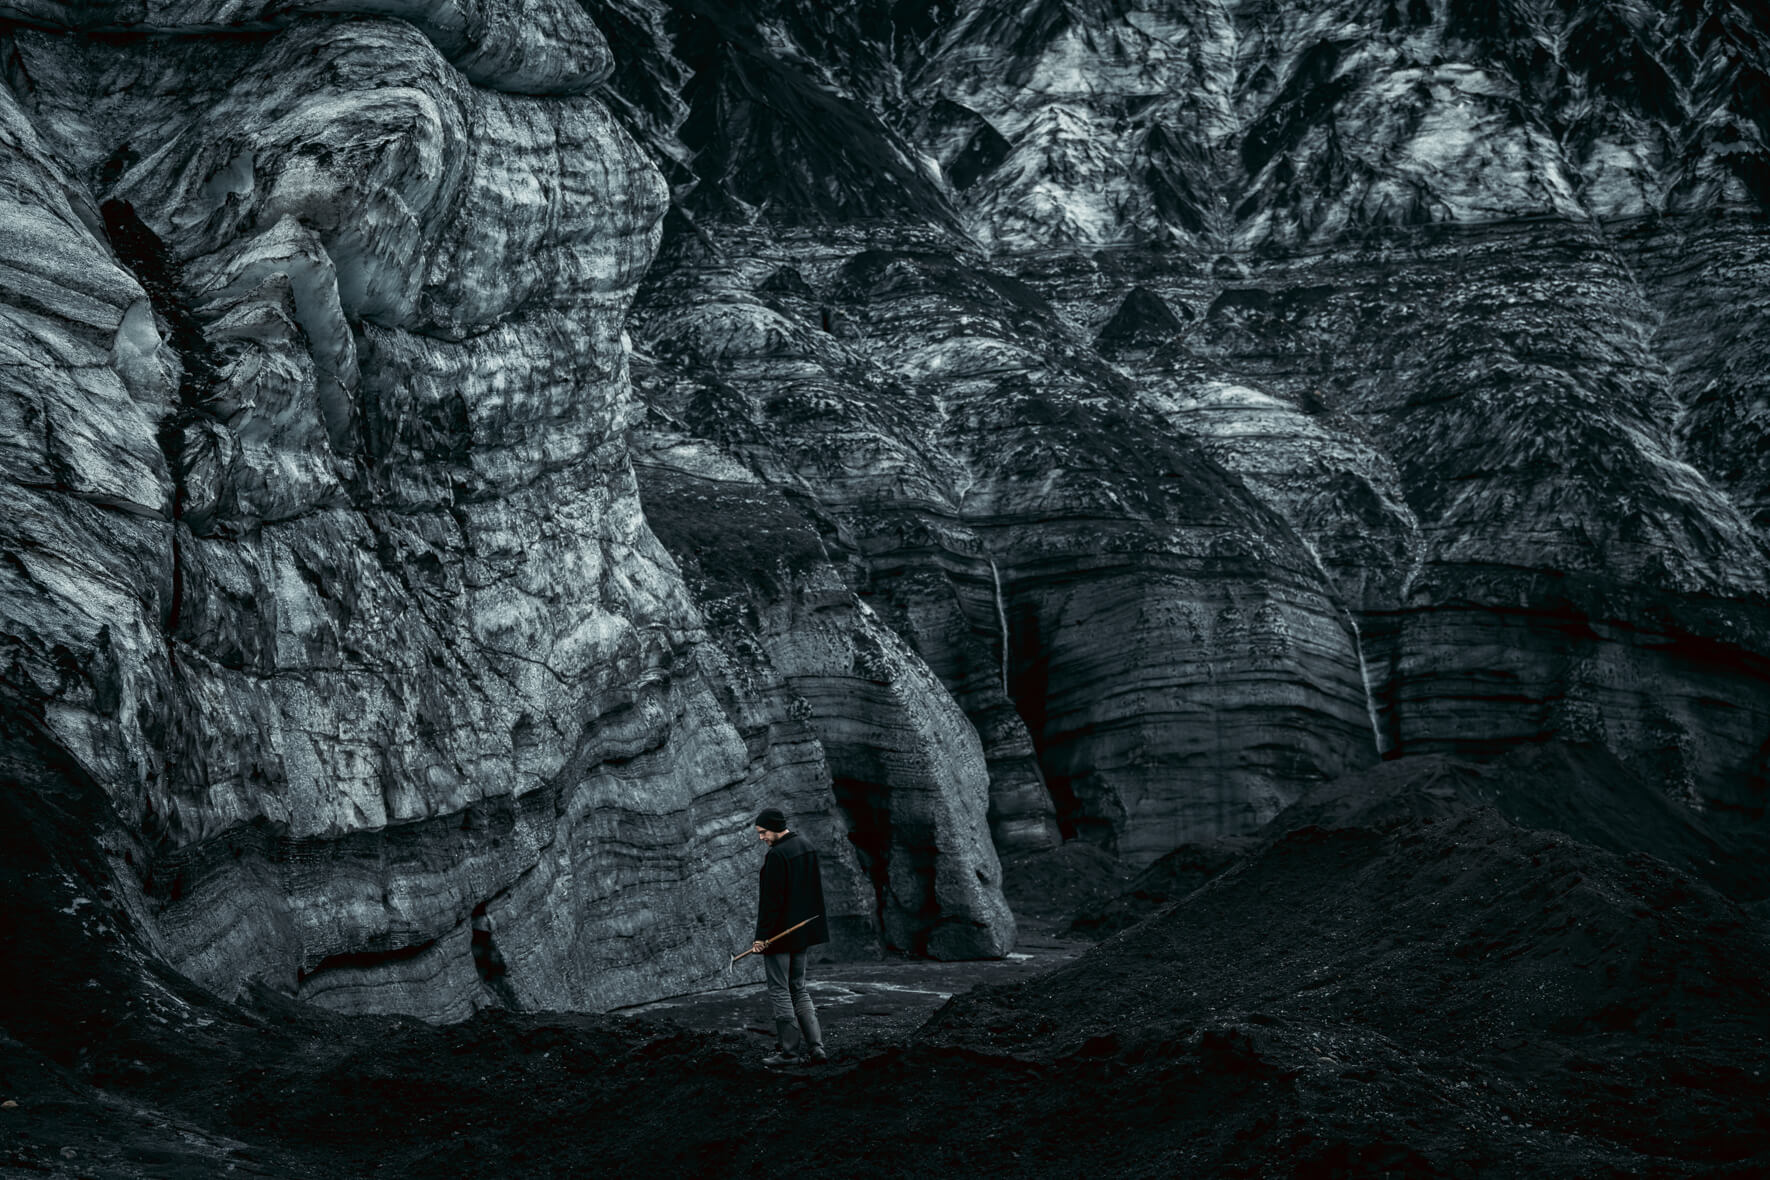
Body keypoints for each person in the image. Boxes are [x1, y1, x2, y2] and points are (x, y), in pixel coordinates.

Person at [751, 808, 830, 1066]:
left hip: (779, 936)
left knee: (780, 990)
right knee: (798, 987)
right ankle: (816, 1048)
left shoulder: (777, 856)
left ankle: (789, 1053)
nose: (761, 837)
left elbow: (770, 904)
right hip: (802, 933)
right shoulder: (806, 847)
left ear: (775, 827)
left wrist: (761, 938)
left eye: (763, 832)